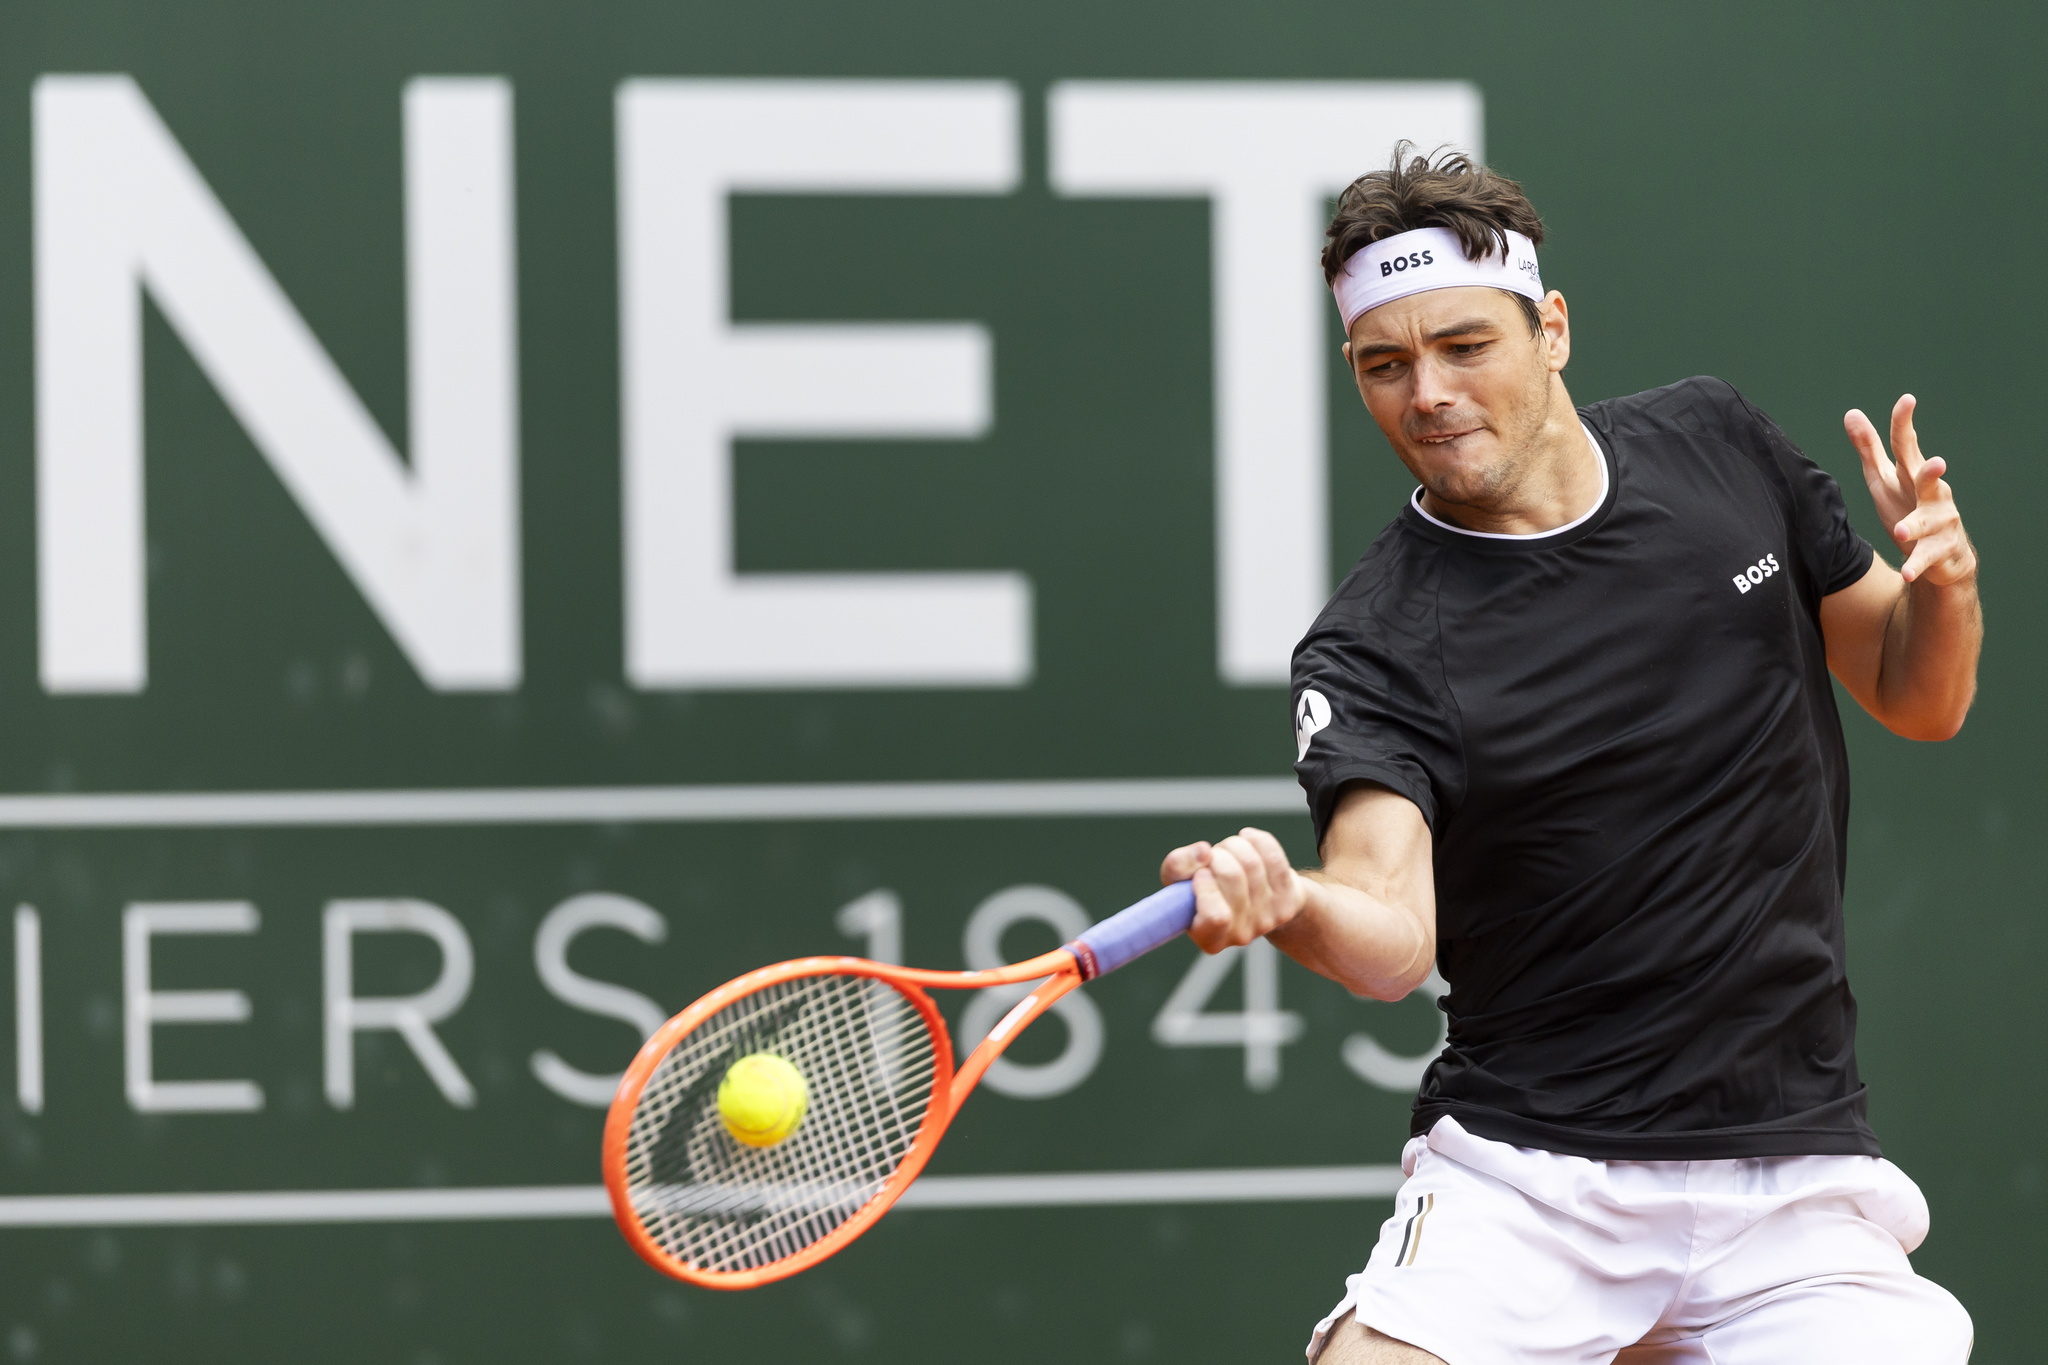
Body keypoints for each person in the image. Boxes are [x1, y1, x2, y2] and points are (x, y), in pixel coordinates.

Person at [1159, 147, 1980, 1364]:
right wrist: (1289, 902)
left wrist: (1945, 585)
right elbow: (1388, 936)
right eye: (1383, 366)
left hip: (1790, 1177)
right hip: (1533, 1182)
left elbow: (1916, 696)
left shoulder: (1720, 447)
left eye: (1462, 345)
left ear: (1549, 327)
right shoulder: (1372, 644)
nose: (1426, 392)